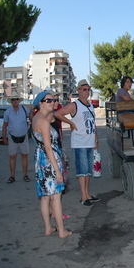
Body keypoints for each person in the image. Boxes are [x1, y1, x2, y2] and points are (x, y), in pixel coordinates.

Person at [31, 91, 72, 238]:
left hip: (40, 159)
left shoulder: (38, 117)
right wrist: (57, 171)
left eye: (54, 100)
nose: (52, 102)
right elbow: (48, 147)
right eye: (48, 100)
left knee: (45, 196)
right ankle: (62, 231)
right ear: (40, 103)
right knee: (55, 196)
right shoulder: (43, 121)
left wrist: (53, 98)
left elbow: (51, 115)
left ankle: (48, 228)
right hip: (49, 160)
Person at [55, 79, 100, 207]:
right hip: (79, 142)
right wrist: (70, 123)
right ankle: (83, 196)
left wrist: (96, 139)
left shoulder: (90, 105)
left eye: (88, 89)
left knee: (88, 171)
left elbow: (93, 123)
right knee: (82, 170)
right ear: (79, 91)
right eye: (84, 89)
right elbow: (58, 114)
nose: (87, 92)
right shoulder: (75, 105)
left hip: (90, 141)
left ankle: (87, 194)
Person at [2, 94, 31, 184]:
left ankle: (25, 175)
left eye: (17, 99)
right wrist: (4, 137)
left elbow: (31, 118)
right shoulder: (7, 112)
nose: (15, 101)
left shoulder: (24, 109)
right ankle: (12, 176)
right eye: (13, 99)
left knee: (24, 156)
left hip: (24, 136)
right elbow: (5, 125)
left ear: (19, 100)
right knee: (12, 157)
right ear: (11, 101)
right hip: (12, 137)